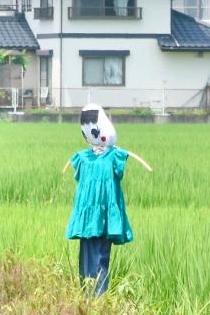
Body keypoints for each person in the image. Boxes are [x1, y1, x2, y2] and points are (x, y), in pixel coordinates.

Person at [62, 107, 152, 296]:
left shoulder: (115, 156)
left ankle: (99, 300)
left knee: (101, 257)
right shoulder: (82, 158)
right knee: (85, 258)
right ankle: (86, 298)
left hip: (104, 217)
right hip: (87, 217)